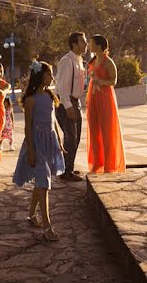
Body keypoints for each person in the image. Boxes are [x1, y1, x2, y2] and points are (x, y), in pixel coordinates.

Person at [13, 60, 65, 242]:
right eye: (49, 74)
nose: (51, 77)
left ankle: (31, 214)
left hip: (49, 143)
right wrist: (31, 151)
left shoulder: (50, 97)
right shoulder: (30, 100)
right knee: (44, 182)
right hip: (36, 143)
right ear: (40, 75)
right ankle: (47, 225)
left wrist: (58, 140)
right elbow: (28, 128)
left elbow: (53, 122)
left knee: (41, 181)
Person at [86, 34, 126, 174]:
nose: (89, 45)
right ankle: (97, 162)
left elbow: (113, 81)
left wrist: (101, 82)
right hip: (93, 98)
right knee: (94, 131)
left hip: (105, 98)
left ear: (99, 45)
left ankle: (110, 164)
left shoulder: (108, 62)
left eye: (91, 43)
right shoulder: (92, 61)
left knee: (107, 131)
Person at [54, 31, 87, 182]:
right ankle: (66, 171)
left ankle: (69, 168)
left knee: (76, 137)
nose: (85, 44)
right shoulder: (67, 61)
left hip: (75, 102)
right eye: (82, 41)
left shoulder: (79, 60)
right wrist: (68, 106)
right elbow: (61, 85)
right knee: (70, 138)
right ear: (74, 44)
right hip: (66, 103)